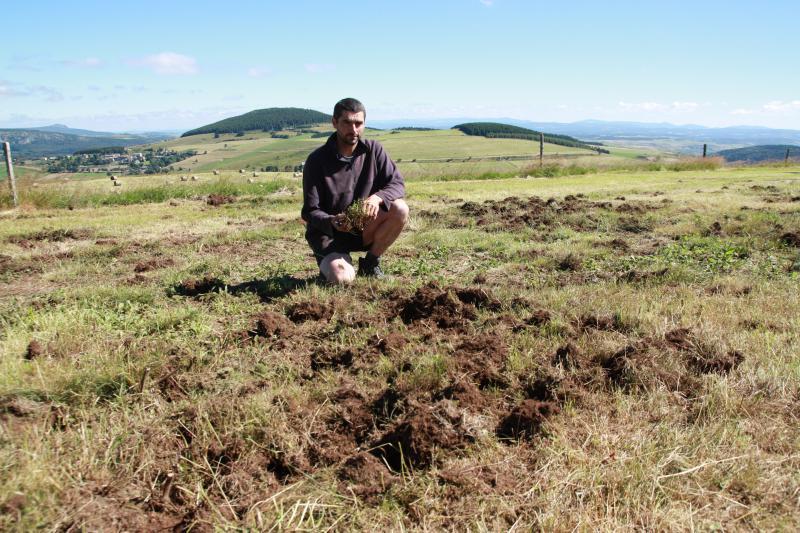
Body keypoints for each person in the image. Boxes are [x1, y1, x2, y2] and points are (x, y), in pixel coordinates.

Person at [301, 98, 409, 284]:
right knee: (341, 278)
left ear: (364, 124)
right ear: (334, 123)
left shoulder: (374, 150)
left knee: (400, 209)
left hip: (363, 228)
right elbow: (309, 211)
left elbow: (397, 184)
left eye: (358, 123)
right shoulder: (316, 161)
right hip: (329, 235)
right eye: (347, 123)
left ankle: (370, 263)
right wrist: (332, 221)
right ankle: (334, 265)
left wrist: (377, 198)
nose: (353, 130)